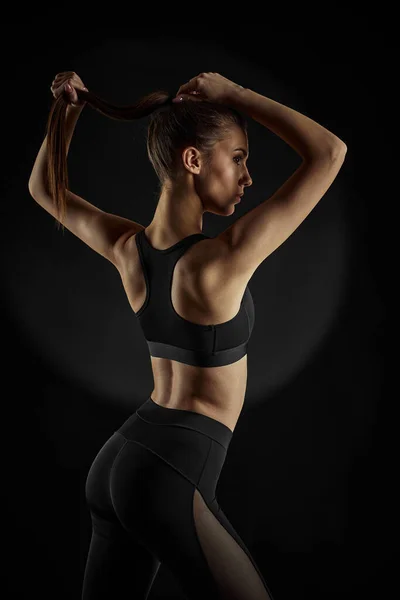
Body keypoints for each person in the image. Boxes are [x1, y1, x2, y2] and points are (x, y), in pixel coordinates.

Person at [28, 71, 347, 599]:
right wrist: (234, 94)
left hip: (122, 458)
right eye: (239, 157)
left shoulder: (127, 249)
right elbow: (329, 154)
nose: (248, 176)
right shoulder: (220, 263)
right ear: (193, 161)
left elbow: (44, 189)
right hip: (167, 474)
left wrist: (68, 110)